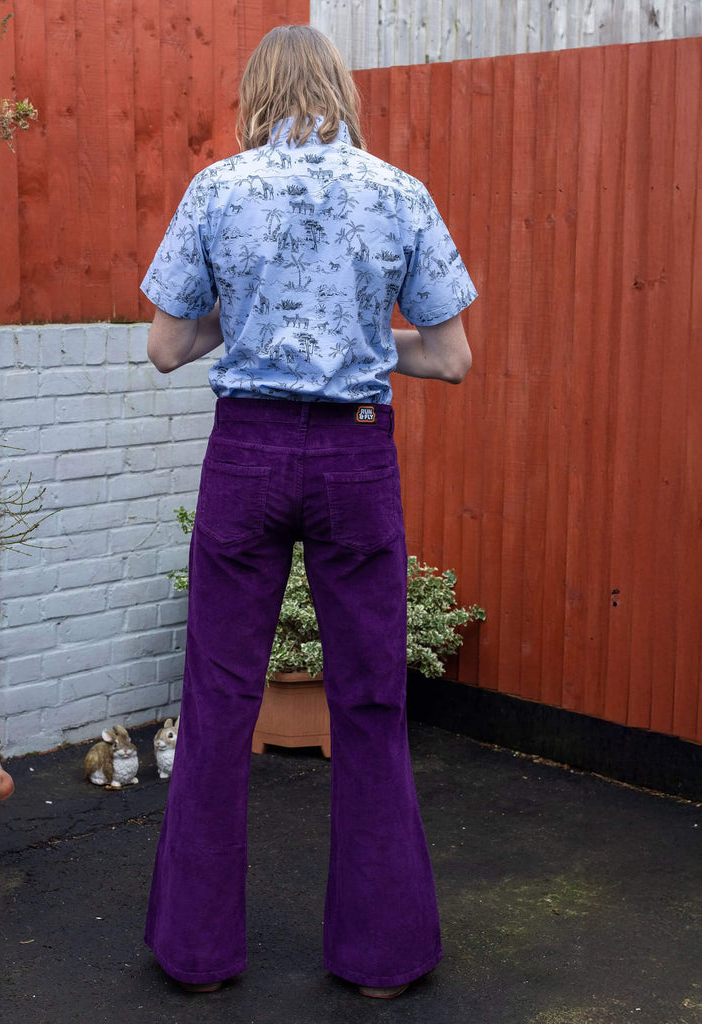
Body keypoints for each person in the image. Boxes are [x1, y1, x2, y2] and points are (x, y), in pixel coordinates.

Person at [140, 24, 476, 999]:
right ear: (339, 87)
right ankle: (383, 960)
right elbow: (451, 356)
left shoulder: (217, 190)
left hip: (246, 453)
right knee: (369, 699)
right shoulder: (397, 191)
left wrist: (245, 327)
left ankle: (196, 956)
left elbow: (164, 346)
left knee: (217, 695)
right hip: (353, 453)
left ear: (258, 95)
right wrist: (370, 345)